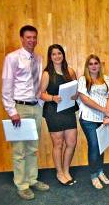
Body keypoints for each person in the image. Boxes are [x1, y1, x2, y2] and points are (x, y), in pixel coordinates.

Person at [1, 25, 49, 200]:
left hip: (36, 106)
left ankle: (31, 179)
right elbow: (6, 86)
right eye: (28, 37)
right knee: (20, 149)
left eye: (34, 37)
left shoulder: (38, 58)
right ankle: (21, 185)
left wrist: (41, 104)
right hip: (20, 108)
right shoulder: (12, 58)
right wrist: (11, 111)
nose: (32, 40)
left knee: (33, 147)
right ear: (22, 38)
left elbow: (39, 85)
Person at [40, 44, 77, 185]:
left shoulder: (70, 71)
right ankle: (59, 173)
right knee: (58, 143)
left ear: (63, 55)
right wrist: (52, 98)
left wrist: (75, 95)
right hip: (53, 111)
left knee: (72, 142)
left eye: (59, 53)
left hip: (68, 109)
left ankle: (66, 170)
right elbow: (41, 94)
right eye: (54, 54)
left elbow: (76, 90)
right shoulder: (47, 74)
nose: (57, 56)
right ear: (50, 57)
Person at [78, 55, 109, 189]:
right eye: (91, 64)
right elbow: (84, 99)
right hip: (88, 118)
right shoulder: (82, 80)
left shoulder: (106, 79)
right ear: (87, 66)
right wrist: (104, 109)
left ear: (99, 65)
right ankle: (93, 175)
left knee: (101, 144)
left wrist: (108, 113)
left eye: (96, 63)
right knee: (94, 145)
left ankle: (100, 171)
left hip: (103, 118)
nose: (93, 66)